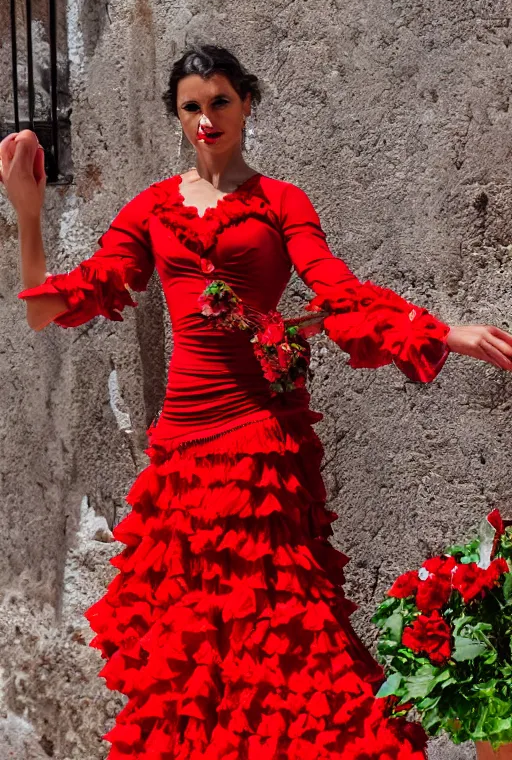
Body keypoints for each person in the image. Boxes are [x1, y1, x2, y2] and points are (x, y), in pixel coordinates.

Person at [2, 44, 512, 760]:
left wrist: (440, 331)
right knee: (192, 660)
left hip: (260, 447)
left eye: (219, 103)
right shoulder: (150, 208)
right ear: (176, 116)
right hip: (181, 453)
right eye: (191, 107)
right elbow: (48, 308)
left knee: (289, 643)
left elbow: (337, 293)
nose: (206, 119)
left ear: (245, 103)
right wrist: (27, 215)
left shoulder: (281, 202)